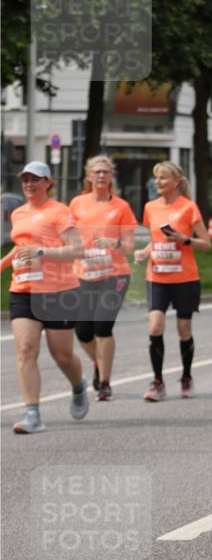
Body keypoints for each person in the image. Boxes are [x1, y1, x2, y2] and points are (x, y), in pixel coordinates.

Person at [2, 162, 89, 434]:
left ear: (48, 182)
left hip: (58, 292)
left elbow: (77, 250)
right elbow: (21, 247)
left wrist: (42, 252)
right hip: (23, 289)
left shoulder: (59, 212)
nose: (29, 184)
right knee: (26, 349)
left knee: (62, 355)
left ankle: (78, 386)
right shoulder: (18, 214)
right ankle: (33, 415)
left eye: (35, 179)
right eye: (25, 179)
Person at [134, 162, 211, 401]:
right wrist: (144, 252)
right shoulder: (150, 207)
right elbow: (155, 240)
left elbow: (206, 243)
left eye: (163, 178)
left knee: (183, 329)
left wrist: (184, 239)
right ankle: (157, 382)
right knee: (155, 326)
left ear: (176, 181)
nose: (157, 182)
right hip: (156, 276)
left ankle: (186, 376)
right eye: (156, 177)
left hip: (185, 278)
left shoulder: (188, 207)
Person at [70, 155, 137, 402]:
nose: (101, 175)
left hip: (114, 274)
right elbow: (67, 236)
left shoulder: (121, 207)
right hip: (84, 273)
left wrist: (113, 242)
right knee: (83, 331)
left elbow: (129, 246)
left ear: (111, 177)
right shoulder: (77, 204)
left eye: (105, 172)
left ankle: (105, 383)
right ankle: (100, 363)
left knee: (102, 326)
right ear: (88, 176)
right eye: (96, 172)